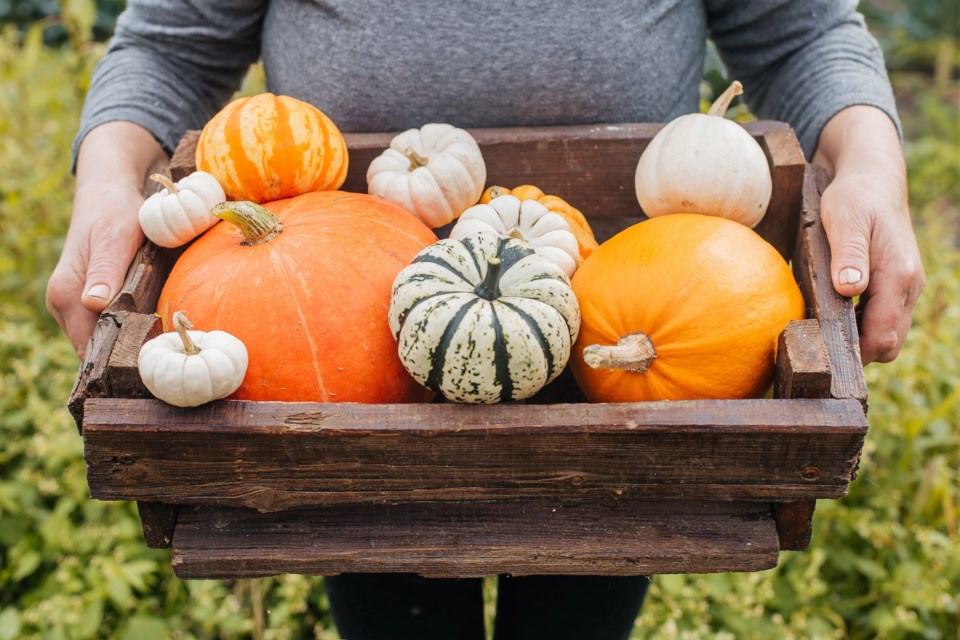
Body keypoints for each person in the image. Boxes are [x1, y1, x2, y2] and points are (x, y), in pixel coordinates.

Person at [46, 1, 925, 638]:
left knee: (587, 595)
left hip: (630, 308)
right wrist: (110, 177)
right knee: (389, 596)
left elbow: (802, 29)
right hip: (343, 340)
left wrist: (872, 164)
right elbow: (169, 46)